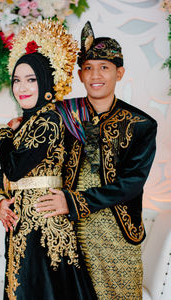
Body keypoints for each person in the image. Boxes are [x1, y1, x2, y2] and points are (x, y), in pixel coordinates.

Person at [35, 21, 158, 299]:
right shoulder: (63, 114)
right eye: (88, 68)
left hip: (116, 233)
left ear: (120, 72)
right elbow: (29, 154)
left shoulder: (141, 124)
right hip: (68, 230)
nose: (95, 75)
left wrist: (74, 202)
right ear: (80, 75)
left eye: (104, 67)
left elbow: (131, 184)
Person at [0, 20, 97, 300]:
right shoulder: (24, 124)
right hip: (21, 229)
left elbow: (14, 169)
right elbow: (3, 175)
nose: (21, 88)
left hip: (44, 229)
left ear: (47, 82)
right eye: (16, 80)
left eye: (31, 79)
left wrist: (1, 134)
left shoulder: (50, 120)